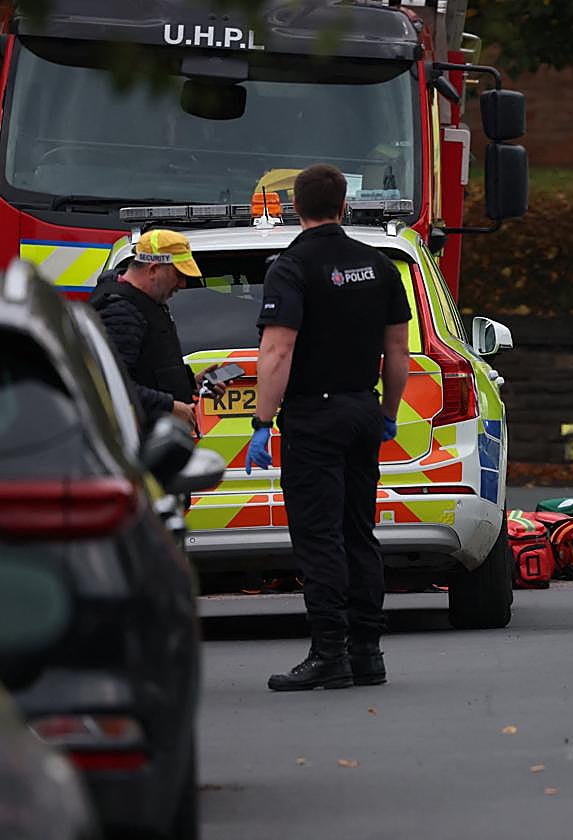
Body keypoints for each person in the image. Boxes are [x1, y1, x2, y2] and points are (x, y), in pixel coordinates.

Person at [246, 163, 412, 690]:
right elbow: (397, 350)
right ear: (344, 206)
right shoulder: (380, 265)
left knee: (319, 537)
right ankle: (367, 652)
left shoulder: (291, 267)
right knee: (358, 531)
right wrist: (388, 411)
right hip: (363, 410)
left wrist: (261, 422)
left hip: (314, 416)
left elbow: (278, 349)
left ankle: (329, 653)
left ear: (297, 207)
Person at [91, 230, 225, 428]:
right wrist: (169, 406)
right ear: (153, 269)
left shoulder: (144, 302)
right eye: (178, 274)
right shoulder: (121, 311)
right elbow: (112, 383)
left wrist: (189, 382)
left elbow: (147, 369)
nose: (182, 284)